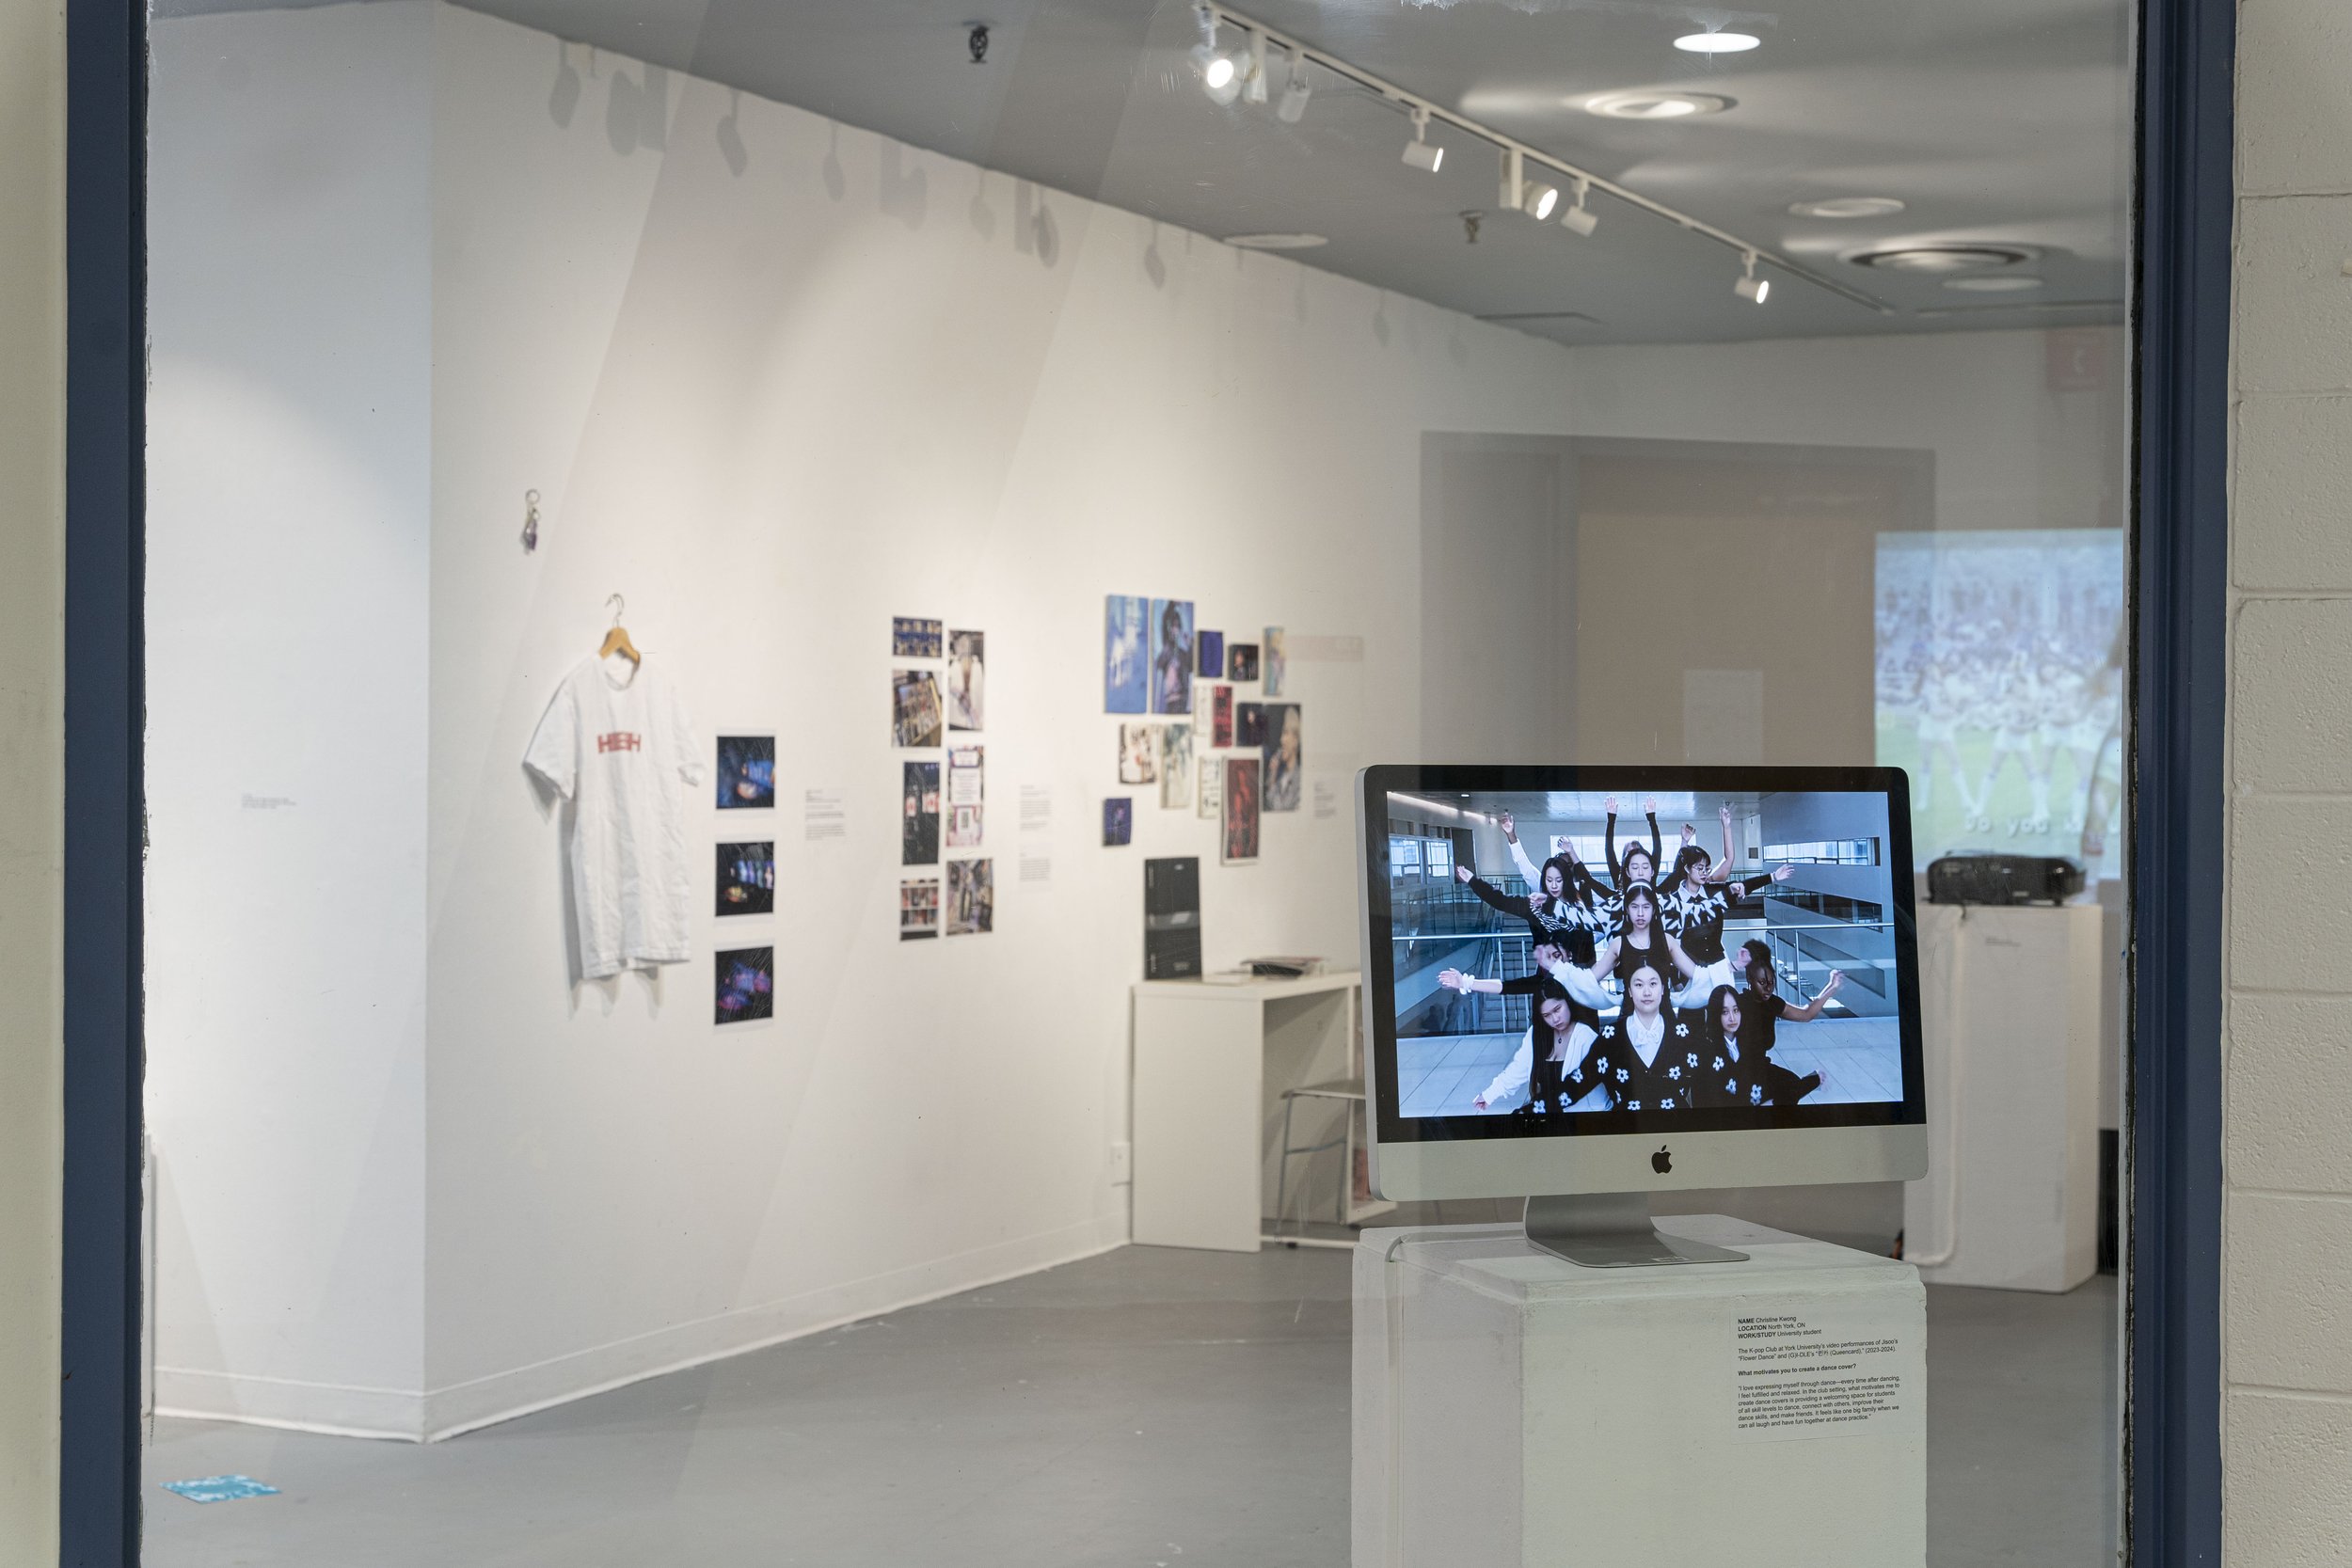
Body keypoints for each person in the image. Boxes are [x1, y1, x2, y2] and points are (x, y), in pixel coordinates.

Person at [1556, 958, 1705, 1113]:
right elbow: (1581, 1081)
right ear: (1629, 991)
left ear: (1662, 989)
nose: (1647, 992)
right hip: (1628, 1129)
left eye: (1653, 984)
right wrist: (1538, 1106)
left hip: (1675, 1130)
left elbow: (1710, 1079)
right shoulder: (1611, 1036)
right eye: (1639, 985)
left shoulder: (1685, 1035)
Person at [1465, 977, 1598, 1116]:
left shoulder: (1585, 1037)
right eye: (1547, 1015)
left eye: (1557, 1009)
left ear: (1568, 1002)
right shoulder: (1536, 1033)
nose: (1555, 1019)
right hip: (1544, 1114)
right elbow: (1517, 1070)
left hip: (1577, 1119)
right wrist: (1488, 1095)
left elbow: (1597, 1089)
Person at [1694, 984, 1823, 1108]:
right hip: (1728, 1110)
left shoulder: (1747, 1038)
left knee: (1790, 1084)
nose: (1732, 1018)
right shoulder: (1707, 1047)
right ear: (1716, 1013)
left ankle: (1815, 1079)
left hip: (1752, 1094)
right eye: (1724, 1012)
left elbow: (1762, 1067)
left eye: (1735, 1010)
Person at [1602, 793, 1661, 892]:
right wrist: (1611, 819)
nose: (1634, 855)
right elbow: (1609, 850)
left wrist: (1652, 819)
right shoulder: (1619, 873)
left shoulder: (1649, 870)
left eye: (1637, 851)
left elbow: (1658, 849)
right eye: (1630, 852)